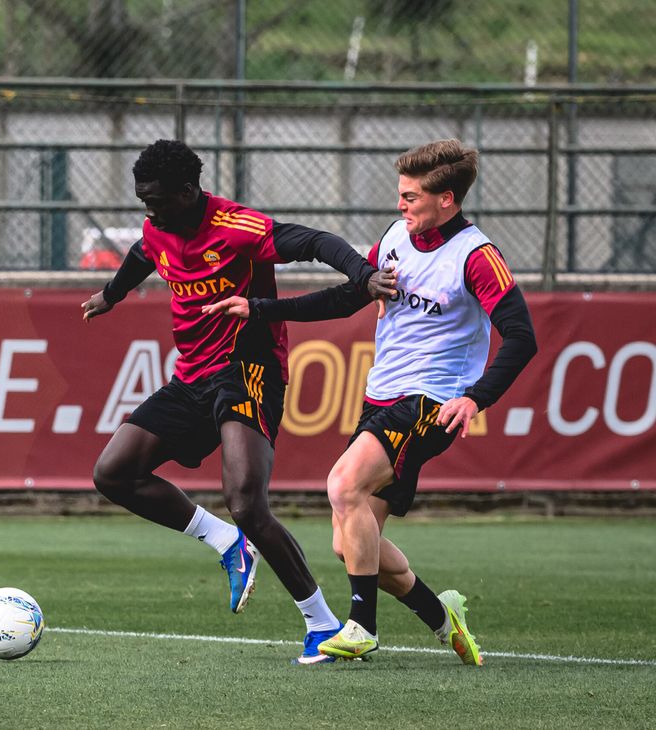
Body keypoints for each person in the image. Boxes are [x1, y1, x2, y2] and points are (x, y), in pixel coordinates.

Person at [203, 139, 538, 665]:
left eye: (411, 196)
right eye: (400, 195)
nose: (401, 205)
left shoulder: (476, 257)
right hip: (380, 396)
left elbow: (521, 337)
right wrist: (261, 308)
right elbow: (348, 296)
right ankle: (440, 613)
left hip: (433, 400)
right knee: (352, 545)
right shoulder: (396, 238)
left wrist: (476, 398)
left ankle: (360, 626)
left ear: (447, 199)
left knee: (343, 485)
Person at [81, 139, 396, 665]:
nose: (148, 211)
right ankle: (228, 542)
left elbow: (316, 240)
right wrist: (112, 295)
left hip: (248, 369)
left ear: (188, 190)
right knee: (113, 472)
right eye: (142, 201)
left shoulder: (235, 226)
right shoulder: (159, 226)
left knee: (247, 500)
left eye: (156, 200)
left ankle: (322, 623)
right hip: (191, 377)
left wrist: (363, 276)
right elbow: (143, 252)